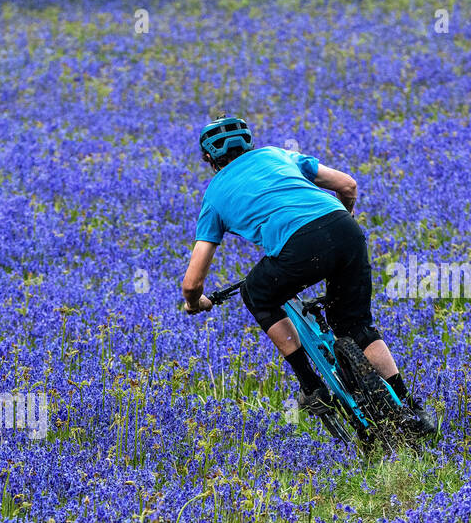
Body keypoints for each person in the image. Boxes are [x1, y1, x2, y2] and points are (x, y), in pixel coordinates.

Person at [180, 116, 438, 437]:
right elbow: (348, 185)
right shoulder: (278, 155)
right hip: (344, 228)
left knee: (256, 292)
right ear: (249, 143)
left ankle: (311, 385)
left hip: (297, 248)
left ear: (208, 158)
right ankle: (411, 408)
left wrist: (196, 302)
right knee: (355, 325)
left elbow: (192, 283)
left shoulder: (214, 197)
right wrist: (340, 228)